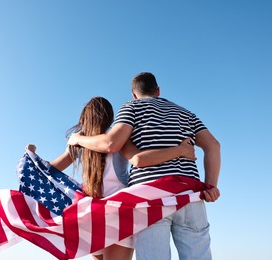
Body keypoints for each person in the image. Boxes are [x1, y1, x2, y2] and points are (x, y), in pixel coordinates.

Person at [68, 73, 221, 260]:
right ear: (158, 91)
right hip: (189, 195)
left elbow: (112, 143)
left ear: (134, 94)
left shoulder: (131, 108)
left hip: (150, 198)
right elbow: (213, 146)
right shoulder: (185, 113)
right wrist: (210, 186)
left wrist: (77, 138)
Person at [27, 96, 197, 260]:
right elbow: (138, 159)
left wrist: (31, 156)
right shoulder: (118, 139)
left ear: (84, 119)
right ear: (110, 117)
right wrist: (179, 150)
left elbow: (50, 169)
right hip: (120, 213)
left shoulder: (79, 142)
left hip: (93, 215)